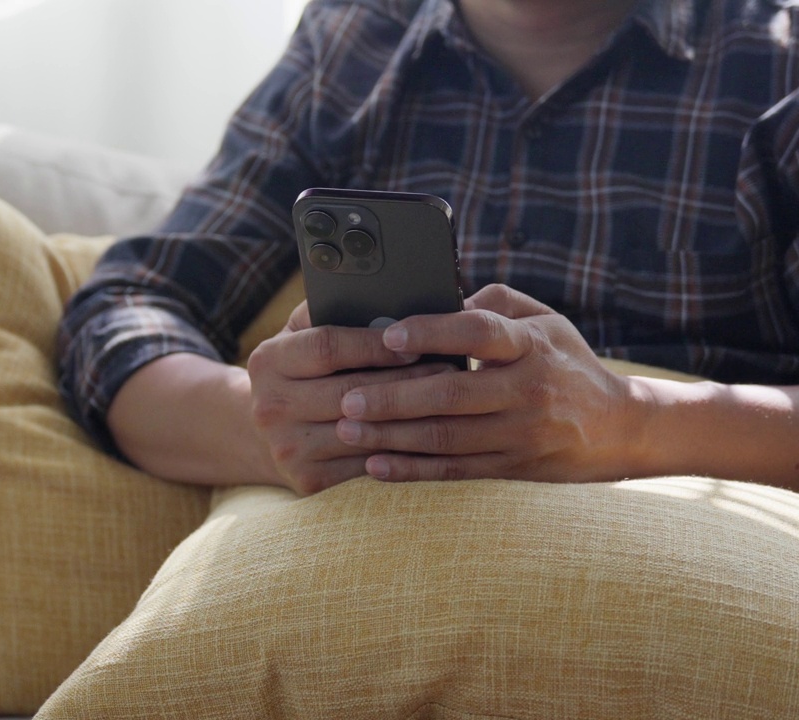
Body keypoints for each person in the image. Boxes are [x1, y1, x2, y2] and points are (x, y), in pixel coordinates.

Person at [57, 0, 799, 497]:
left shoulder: (778, 64)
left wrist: (635, 423)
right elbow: (128, 308)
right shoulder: (351, 42)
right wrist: (266, 427)